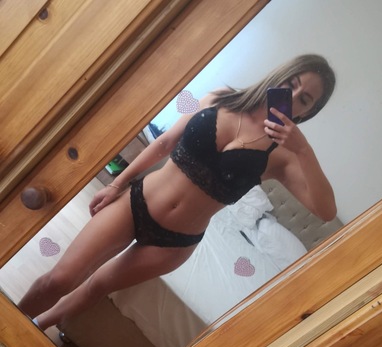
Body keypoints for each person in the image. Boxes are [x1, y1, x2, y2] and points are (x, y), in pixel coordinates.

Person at [18, 54, 337, 330]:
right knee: (59, 279)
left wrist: (304, 150)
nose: (293, 96)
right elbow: (164, 143)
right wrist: (117, 183)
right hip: (136, 203)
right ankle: (12, 322)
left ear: (307, 113)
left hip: (173, 244)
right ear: (279, 77)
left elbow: (326, 211)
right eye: (292, 83)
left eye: (305, 99)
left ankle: (34, 329)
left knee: (97, 286)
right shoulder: (221, 98)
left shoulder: (284, 156)